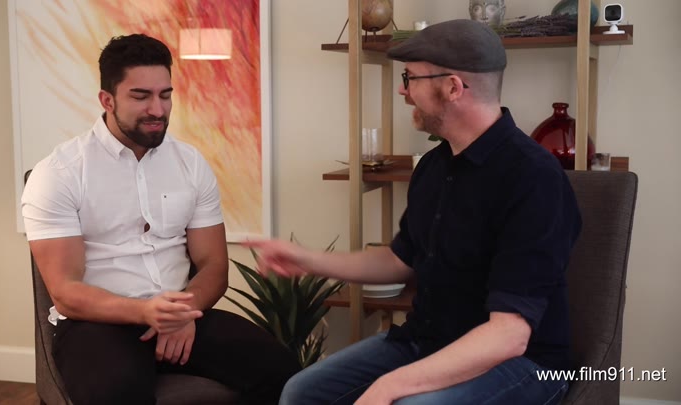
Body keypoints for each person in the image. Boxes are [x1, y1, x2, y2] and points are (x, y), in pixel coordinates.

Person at [247, 19, 580, 405]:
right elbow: (399, 260)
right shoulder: (434, 167)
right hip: (427, 340)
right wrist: (306, 259)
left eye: (410, 78)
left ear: (453, 87)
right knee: (302, 391)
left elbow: (509, 335)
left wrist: (390, 385)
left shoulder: (533, 177)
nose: (402, 90)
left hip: (522, 362)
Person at [21, 33, 300, 405]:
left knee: (283, 372)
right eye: (141, 97)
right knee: (118, 393)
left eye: (165, 95)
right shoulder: (59, 173)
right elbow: (66, 291)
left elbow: (214, 265)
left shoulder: (191, 164)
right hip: (96, 323)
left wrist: (180, 313)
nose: (157, 109)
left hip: (181, 312)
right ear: (107, 100)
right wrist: (147, 313)